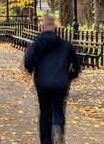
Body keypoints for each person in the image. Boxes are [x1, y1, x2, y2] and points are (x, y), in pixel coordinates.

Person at [24, 15, 81, 144]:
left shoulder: (37, 44)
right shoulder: (65, 44)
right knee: (58, 108)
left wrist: (31, 70)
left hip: (42, 82)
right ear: (54, 27)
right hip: (61, 82)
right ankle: (57, 126)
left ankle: (46, 141)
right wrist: (70, 76)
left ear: (42, 26)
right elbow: (77, 65)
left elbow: (28, 62)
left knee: (44, 112)